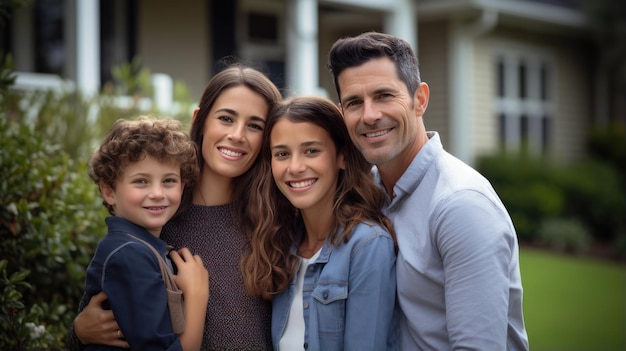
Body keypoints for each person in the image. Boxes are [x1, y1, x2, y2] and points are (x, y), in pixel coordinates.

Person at [327, 31, 529, 350]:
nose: (369, 115)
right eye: (355, 102)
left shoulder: (460, 205)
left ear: (419, 100)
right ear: (342, 113)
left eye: (384, 96)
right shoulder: (371, 193)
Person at [68, 65, 283, 350]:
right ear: (200, 120)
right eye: (226, 118)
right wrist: (79, 332)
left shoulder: (273, 219)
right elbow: (103, 307)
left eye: (255, 125)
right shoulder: (155, 216)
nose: (238, 135)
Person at [240, 96, 397, 350]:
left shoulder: (367, 245)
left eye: (311, 151)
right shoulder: (281, 245)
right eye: (282, 154)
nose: (295, 167)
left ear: (342, 157)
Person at [80, 116, 209, 350]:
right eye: (141, 181)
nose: (158, 193)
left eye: (169, 180)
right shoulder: (129, 255)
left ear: (182, 186)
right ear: (109, 191)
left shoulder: (142, 246)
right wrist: (197, 297)